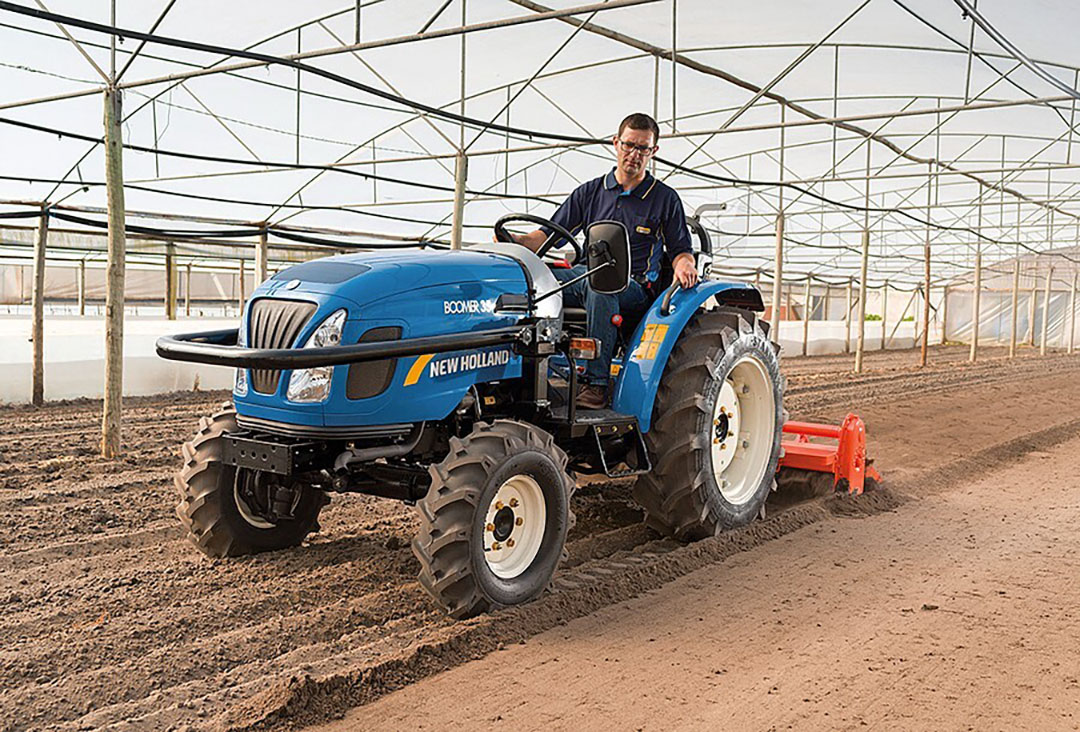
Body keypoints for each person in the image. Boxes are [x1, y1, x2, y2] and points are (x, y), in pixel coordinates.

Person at [508, 112, 698, 408]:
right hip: (585, 275)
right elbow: (546, 235)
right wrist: (517, 243)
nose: (634, 154)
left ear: (653, 152)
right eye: (629, 145)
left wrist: (685, 263)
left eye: (642, 148)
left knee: (602, 283)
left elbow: (679, 249)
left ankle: (595, 385)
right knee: (534, 280)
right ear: (616, 143)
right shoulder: (589, 192)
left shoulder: (664, 198)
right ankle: (522, 369)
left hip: (633, 289)